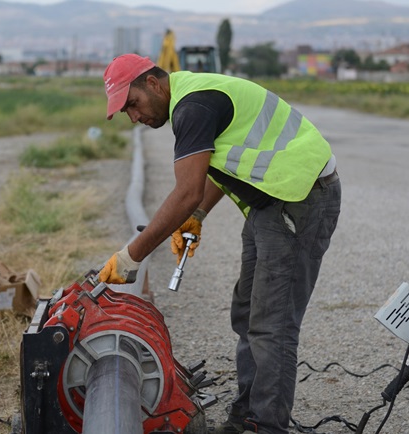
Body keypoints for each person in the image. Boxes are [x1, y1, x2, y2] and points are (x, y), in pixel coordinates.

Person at [98, 53, 341, 434]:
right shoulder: (189, 97)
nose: (134, 116)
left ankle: (266, 426)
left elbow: (186, 191)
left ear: (153, 83)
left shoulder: (192, 107)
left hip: (300, 197)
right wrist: (197, 216)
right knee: (247, 311)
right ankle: (245, 416)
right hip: (272, 202)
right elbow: (220, 166)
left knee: (272, 323)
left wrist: (132, 255)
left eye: (133, 104)